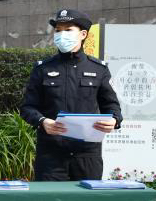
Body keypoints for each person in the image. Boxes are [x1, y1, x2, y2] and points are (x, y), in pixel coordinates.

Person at [20, 9, 122, 181]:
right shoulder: (43, 69)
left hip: (87, 154)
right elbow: (27, 107)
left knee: (87, 198)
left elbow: (111, 105)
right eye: (58, 30)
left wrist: (114, 120)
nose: (61, 34)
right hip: (51, 155)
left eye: (68, 30)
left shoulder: (98, 69)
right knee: (51, 198)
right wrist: (42, 121)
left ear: (83, 34)